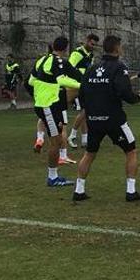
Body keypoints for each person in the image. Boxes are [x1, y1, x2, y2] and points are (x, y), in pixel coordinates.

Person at [74, 35, 140, 202]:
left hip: (94, 119)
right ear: (117, 48)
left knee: (89, 153)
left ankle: (79, 190)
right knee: (131, 150)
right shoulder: (119, 68)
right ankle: (131, 191)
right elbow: (124, 92)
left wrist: (90, 111)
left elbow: (82, 93)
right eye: (121, 46)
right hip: (114, 119)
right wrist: (137, 98)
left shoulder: (92, 68)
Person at [28, 36, 82, 187]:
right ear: (65, 49)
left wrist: (41, 89)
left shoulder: (41, 60)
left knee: (57, 140)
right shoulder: (58, 61)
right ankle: (52, 177)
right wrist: (81, 86)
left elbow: (31, 81)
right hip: (49, 105)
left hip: (45, 104)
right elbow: (61, 81)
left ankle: (53, 175)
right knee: (56, 142)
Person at [68, 33, 99, 148]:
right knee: (85, 111)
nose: (93, 46)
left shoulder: (90, 55)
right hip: (75, 86)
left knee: (85, 111)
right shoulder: (77, 53)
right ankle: (72, 135)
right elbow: (70, 68)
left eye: (94, 45)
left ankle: (84, 139)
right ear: (86, 41)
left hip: (84, 85)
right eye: (91, 44)